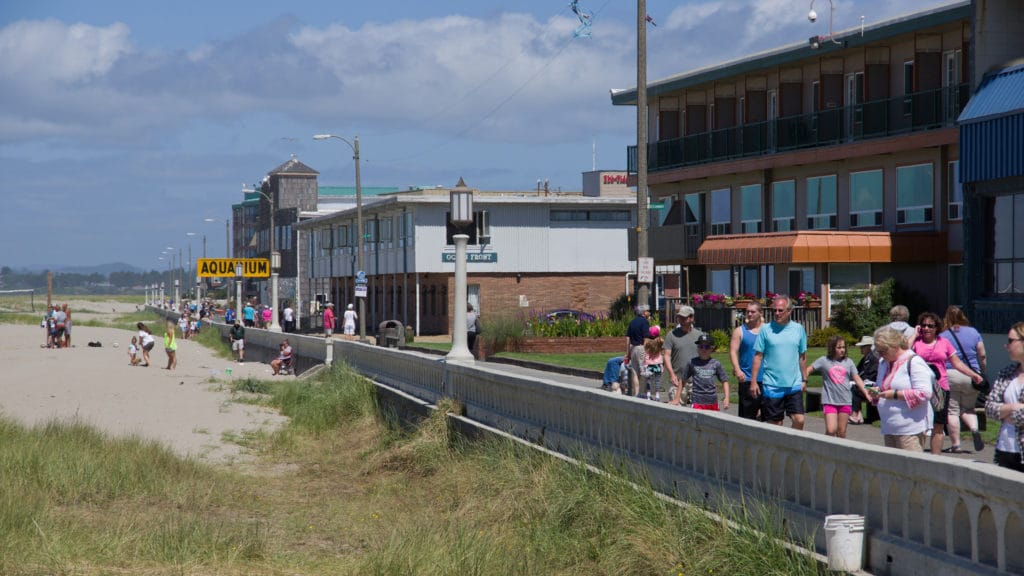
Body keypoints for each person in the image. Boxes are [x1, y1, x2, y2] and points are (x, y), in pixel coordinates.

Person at [911, 311, 984, 455]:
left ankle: (936, 458)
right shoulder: (916, 342)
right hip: (919, 387)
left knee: (938, 424)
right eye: (924, 325)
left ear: (936, 328)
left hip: (940, 388)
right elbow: (904, 352)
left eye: (930, 326)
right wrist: (914, 334)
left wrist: (973, 374)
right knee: (918, 423)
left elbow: (957, 363)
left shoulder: (944, 342)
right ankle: (916, 454)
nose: (926, 328)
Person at [869, 326, 934, 451]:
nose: (880, 355)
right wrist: (874, 391)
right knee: (893, 468)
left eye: (883, 351)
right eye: (878, 351)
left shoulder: (914, 362)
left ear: (894, 346)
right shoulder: (884, 362)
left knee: (911, 467)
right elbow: (881, 385)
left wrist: (894, 394)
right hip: (889, 425)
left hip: (909, 428)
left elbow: (925, 393)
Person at [751, 295, 807, 429]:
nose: (777, 313)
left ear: (789, 311)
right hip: (772, 384)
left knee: (799, 419)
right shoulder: (766, 329)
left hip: (793, 383)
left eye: (780, 310)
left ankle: (793, 447)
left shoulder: (798, 329)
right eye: (774, 310)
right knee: (776, 425)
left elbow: (802, 357)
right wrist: (753, 381)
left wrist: (804, 379)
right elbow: (758, 356)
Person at [939, 305, 988, 453]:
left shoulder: (943, 335)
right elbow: (982, 354)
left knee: (952, 411)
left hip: (951, 374)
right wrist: (981, 371)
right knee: (968, 408)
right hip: (972, 375)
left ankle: (956, 445)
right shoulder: (973, 332)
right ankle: (974, 429)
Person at [806, 335, 869, 438]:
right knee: (831, 430)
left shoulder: (848, 362)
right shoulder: (824, 361)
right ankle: (826, 450)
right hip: (829, 401)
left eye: (843, 347)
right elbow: (809, 369)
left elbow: (857, 379)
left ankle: (840, 453)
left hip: (845, 401)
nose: (842, 350)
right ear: (832, 348)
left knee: (841, 432)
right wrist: (804, 380)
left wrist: (866, 392)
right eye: (839, 347)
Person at [984, 322, 1024, 472]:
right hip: (1005, 448)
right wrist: (1014, 407)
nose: (1006, 346)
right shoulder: (1006, 373)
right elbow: (989, 408)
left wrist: (1004, 413)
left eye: (1010, 341)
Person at [729, 302, 764, 419]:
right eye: (747, 311)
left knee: (769, 418)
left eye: (753, 312)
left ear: (760, 313)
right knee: (747, 418)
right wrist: (737, 370)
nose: (749, 314)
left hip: (767, 379)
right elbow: (733, 352)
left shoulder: (767, 330)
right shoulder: (739, 331)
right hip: (747, 379)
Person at [679, 334, 729, 411]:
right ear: (698, 348)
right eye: (701, 346)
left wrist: (727, 397)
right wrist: (676, 398)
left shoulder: (716, 364)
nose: (704, 349)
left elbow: (724, 381)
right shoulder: (692, 362)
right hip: (697, 402)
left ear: (712, 349)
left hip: (712, 402)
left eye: (707, 347)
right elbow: (682, 380)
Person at [664, 306, 703, 405]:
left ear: (692, 318)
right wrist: (671, 374)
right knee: (677, 412)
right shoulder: (671, 335)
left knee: (697, 413)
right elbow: (667, 356)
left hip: (696, 380)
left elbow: (705, 356)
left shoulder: (699, 336)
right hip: (677, 380)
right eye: (679, 317)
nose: (681, 320)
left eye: (684, 317)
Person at [850, 336, 879, 425]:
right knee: (851, 386)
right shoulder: (865, 358)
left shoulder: (874, 358)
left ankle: (856, 413)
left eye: (863, 346)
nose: (861, 349)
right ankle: (858, 413)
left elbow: (869, 376)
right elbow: (857, 372)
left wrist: (858, 381)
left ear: (869, 347)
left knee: (856, 388)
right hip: (866, 384)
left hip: (872, 386)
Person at [626, 304, 652, 391]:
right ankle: (644, 393)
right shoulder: (644, 322)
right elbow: (646, 338)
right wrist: (647, 352)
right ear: (644, 313)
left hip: (633, 348)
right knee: (644, 371)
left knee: (635, 372)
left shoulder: (632, 322)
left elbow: (627, 338)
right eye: (648, 311)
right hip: (641, 348)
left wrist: (628, 353)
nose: (649, 312)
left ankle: (636, 393)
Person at [641, 326, 664, 400]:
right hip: (658, 364)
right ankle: (657, 395)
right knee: (657, 380)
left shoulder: (648, 343)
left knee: (649, 381)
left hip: (649, 364)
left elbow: (646, 353)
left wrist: (645, 364)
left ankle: (648, 394)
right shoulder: (660, 342)